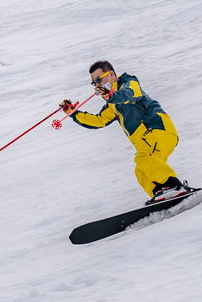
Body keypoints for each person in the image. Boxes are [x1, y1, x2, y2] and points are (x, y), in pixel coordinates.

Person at [60, 60, 189, 204]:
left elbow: (128, 94)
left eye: (99, 80)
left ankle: (174, 186)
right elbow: (99, 120)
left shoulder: (129, 83)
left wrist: (111, 96)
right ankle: (162, 194)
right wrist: (72, 113)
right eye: (94, 83)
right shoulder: (112, 104)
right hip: (146, 142)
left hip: (158, 131)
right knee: (141, 171)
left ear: (112, 75)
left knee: (143, 159)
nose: (97, 85)